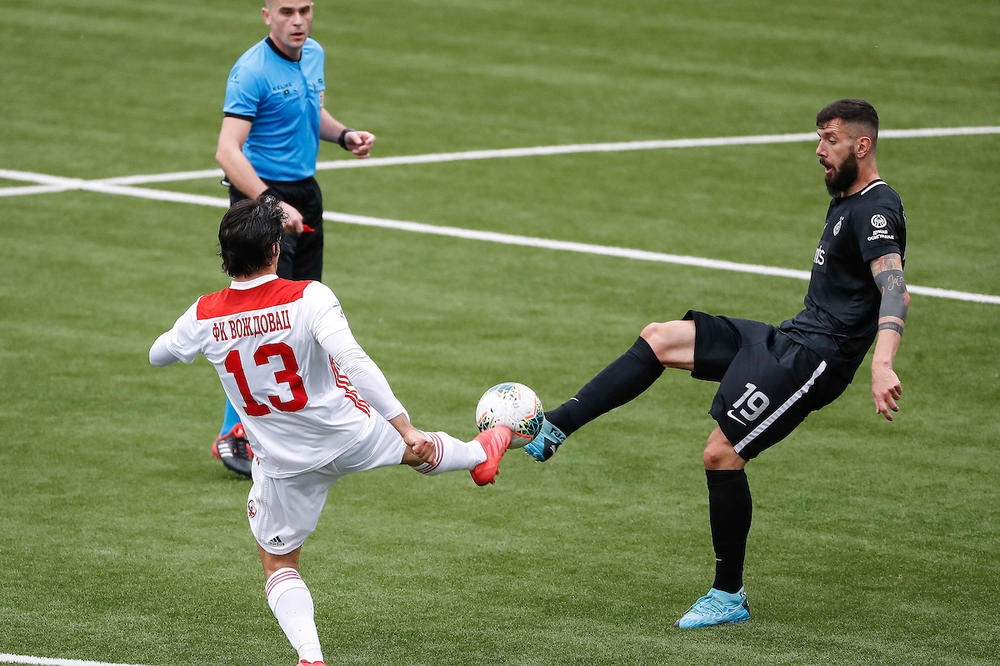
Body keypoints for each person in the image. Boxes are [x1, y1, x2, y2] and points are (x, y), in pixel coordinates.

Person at [522, 99, 909, 628]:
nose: (819, 151)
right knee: (660, 338)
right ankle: (554, 428)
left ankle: (729, 595)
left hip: (816, 361)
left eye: (831, 140)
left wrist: (881, 362)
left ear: (862, 146)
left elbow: (894, 288)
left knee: (721, 454)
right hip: (791, 337)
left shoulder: (875, 209)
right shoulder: (846, 198)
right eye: (819, 138)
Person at [149, 196, 512, 665]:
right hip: (350, 433)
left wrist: (183, 340)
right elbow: (353, 361)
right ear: (275, 251)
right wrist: (403, 426)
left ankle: (311, 657)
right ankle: (481, 454)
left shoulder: (202, 315)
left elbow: (158, 354)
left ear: (225, 256)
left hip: (284, 463)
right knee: (416, 452)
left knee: (279, 564)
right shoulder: (309, 297)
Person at [211, 0, 377, 473]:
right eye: (287, 11)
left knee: (304, 310)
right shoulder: (251, 71)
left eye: (305, 9)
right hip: (261, 201)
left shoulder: (314, 54)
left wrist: (344, 135)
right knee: (261, 318)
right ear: (266, 14)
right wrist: (269, 203)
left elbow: (310, 114)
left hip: (304, 195)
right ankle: (234, 434)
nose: (299, 20)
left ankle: (295, 422)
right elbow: (227, 151)